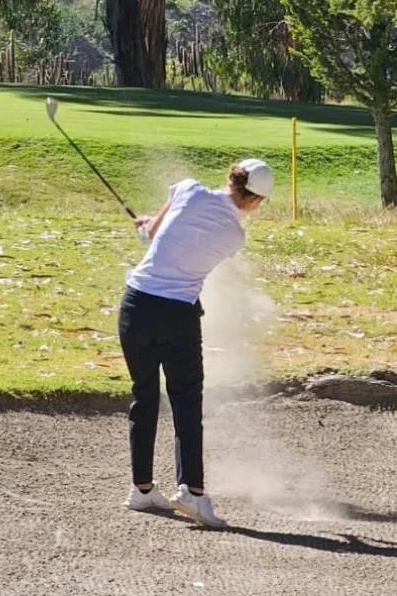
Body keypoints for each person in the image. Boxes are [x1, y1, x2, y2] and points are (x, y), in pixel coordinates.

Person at [118, 158, 273, 527]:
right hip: (176, 315)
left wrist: (146, 228)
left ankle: (141, 490)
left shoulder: (187, 188)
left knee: (144, 396)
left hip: (134, 305)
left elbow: (156, 233)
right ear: (255, 202)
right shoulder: (235, 236)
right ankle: (193, 492)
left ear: (230, 177)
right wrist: (154, 232)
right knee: (186, 402)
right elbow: (185, 246)